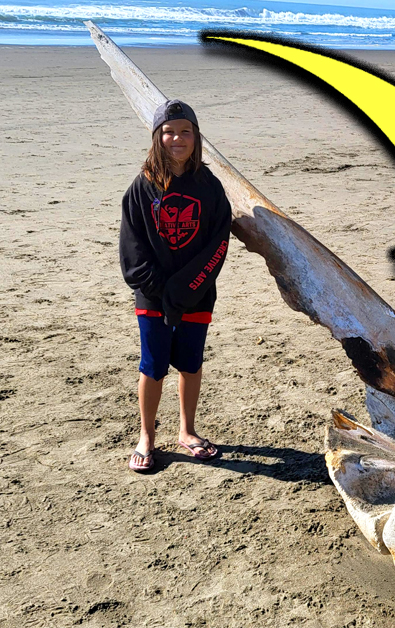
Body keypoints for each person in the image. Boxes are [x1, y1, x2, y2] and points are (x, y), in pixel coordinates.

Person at [119, 99, 232, 472]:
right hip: (152, 296)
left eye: (186, 132)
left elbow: (218, 244)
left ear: (196, 137)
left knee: (191, 363)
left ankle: (187, 430)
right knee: (153, 366)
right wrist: (161, 291)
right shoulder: (142, 187)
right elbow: (132, 250)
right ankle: (146, 436)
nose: (177, 138)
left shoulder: (209, 186)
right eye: (169, 132)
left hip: (197, 293)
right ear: (157, 137)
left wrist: (186, 290)